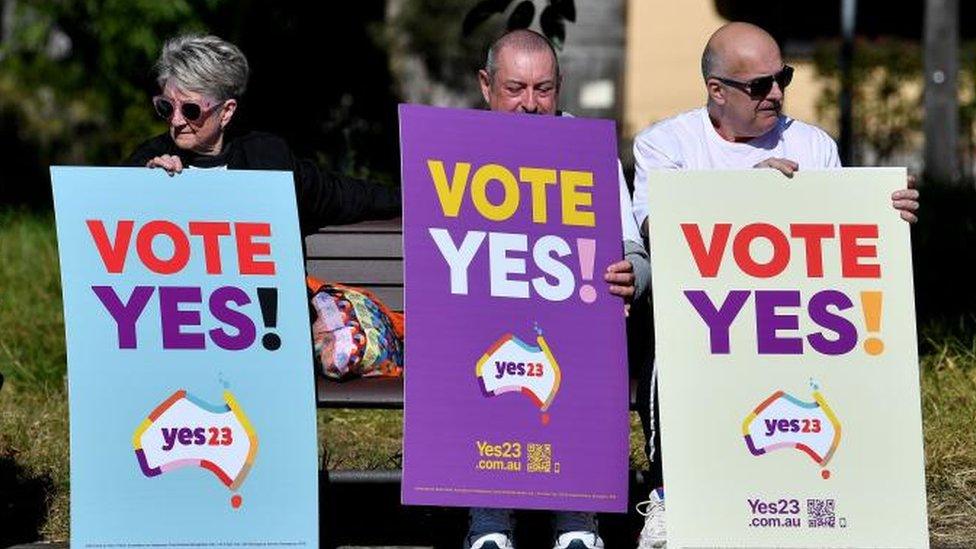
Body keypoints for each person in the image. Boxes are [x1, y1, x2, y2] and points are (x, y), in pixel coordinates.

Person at [629, 22, 921, 549]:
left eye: (781, 77)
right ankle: (672, 496)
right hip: (706, 326)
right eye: (759, 85)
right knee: (668, 343)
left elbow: (844, 244)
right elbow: (660, 227)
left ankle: (836, 498)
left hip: (794, 327)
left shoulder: (812, 146)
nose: (779, 93)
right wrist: (748, 199)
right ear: (716, 91)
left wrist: (884, 213)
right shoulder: (664, 144)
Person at [464, 29, 651, 549]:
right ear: (486, 85)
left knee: (578, 351)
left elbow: (633, 247)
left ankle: (576, 519)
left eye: (543, 90)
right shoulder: (457, 146)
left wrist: (634, 273)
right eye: (515, 88)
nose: (530, 105)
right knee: (485, 351)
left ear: (560, 87)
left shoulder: (587, 150)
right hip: (487, 319)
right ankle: (490, 520)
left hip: (572, 319)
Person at [126, 34, 399, 236]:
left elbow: (342, 195)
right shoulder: (150, 160)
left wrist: (419, 200)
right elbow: (107, 218)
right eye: (166, 106)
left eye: (190, 109)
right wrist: (145, 187)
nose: (176, 120)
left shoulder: (267, 158)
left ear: (226, 112)